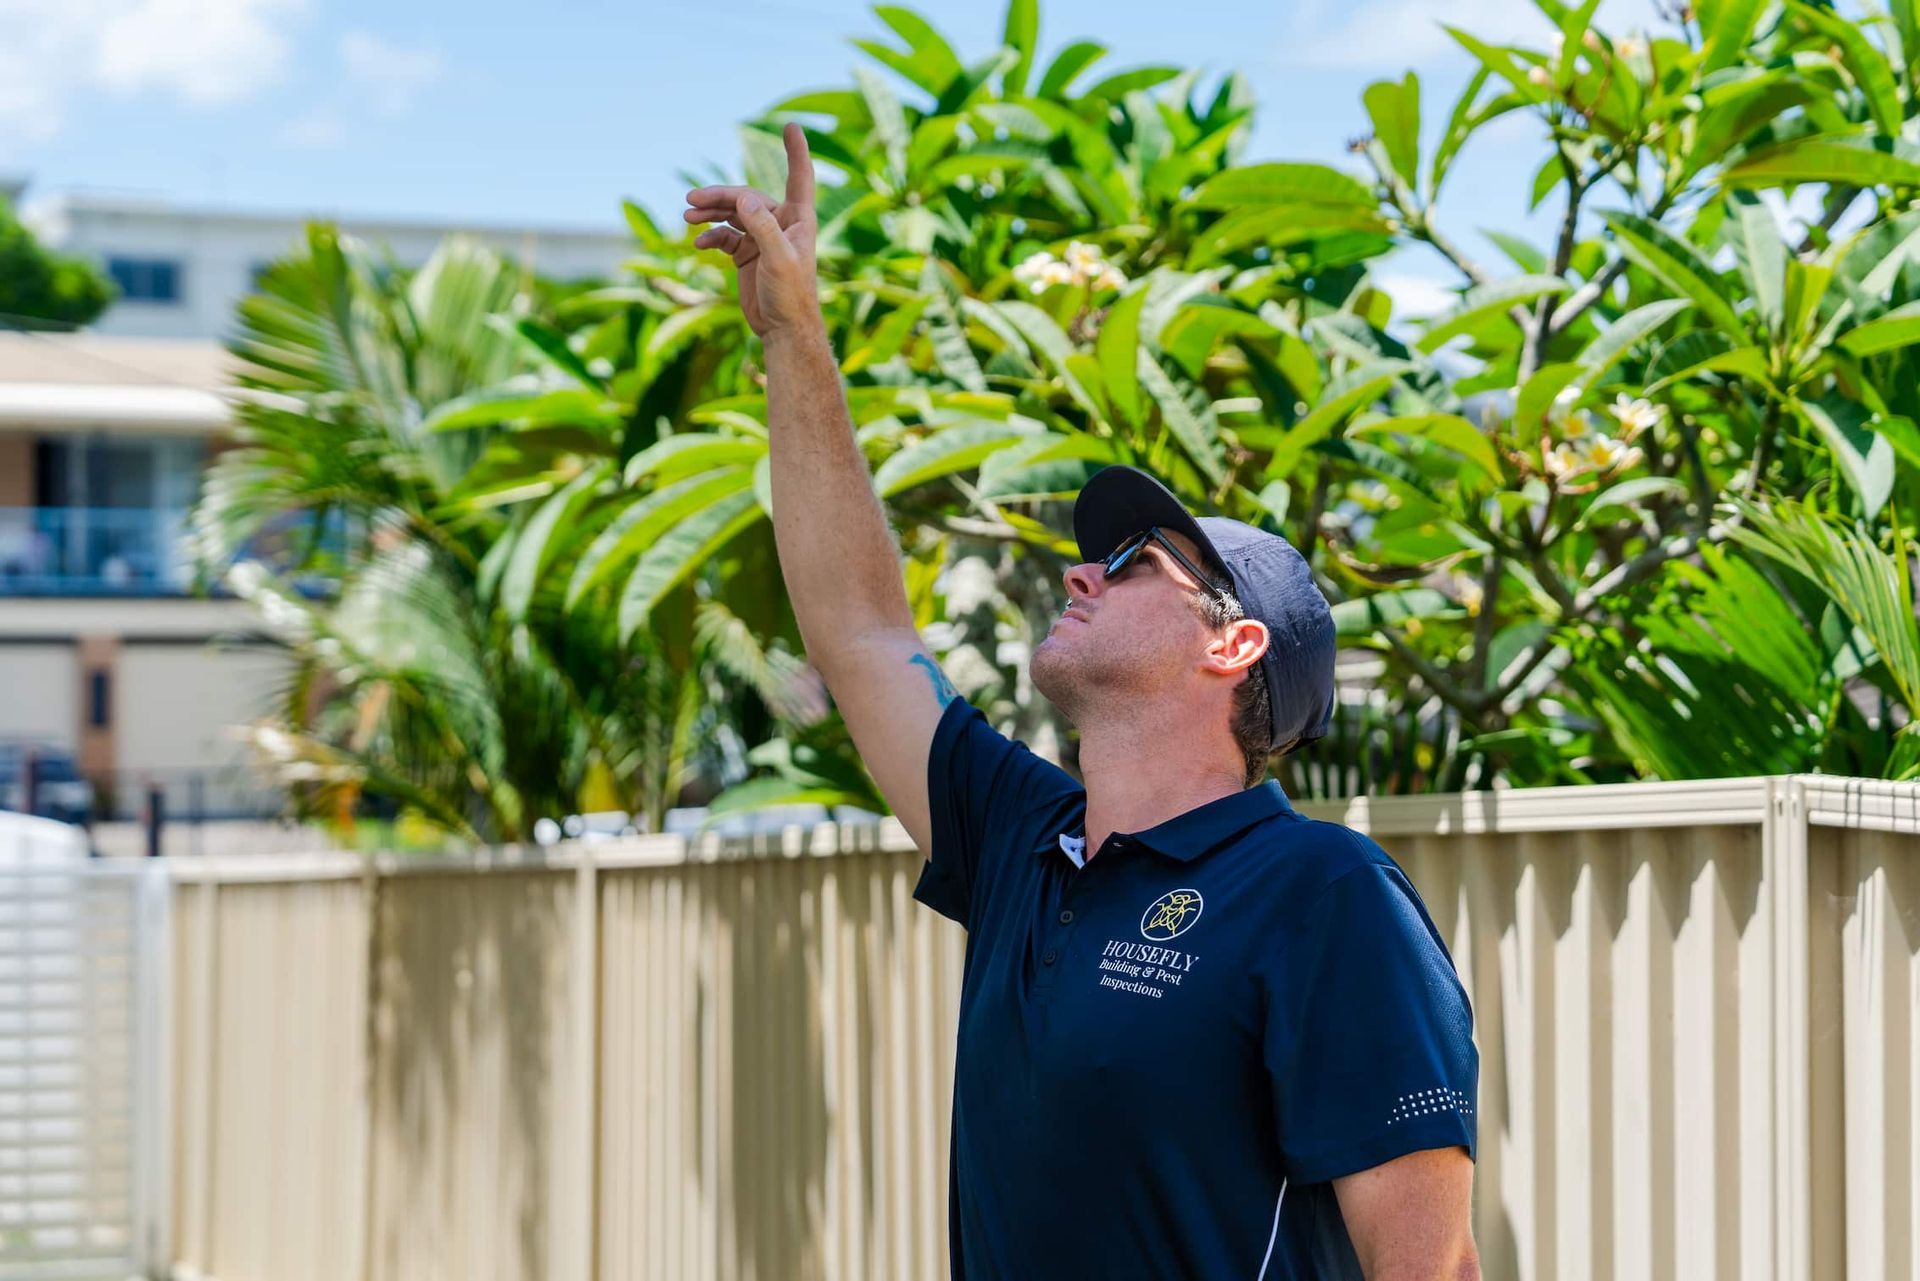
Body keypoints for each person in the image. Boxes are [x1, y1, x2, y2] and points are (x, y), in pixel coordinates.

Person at [685, 124, 1480, 1281]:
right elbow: (861, 631)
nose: (1079, 571)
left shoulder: (1327, 898)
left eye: (1136, 561)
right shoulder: (1023, 841)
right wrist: (794, 334)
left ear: (1235, 644)